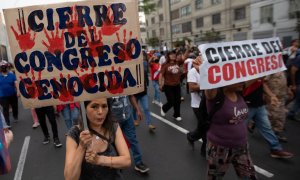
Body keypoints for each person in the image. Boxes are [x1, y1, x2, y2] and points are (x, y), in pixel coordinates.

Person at [64, 98, 131, 180]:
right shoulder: (74, 134)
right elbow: (70, 177)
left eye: (104, 106)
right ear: (84, 109)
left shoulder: (113, 127)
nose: (100, 112)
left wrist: (99, 160)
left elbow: (127, 161)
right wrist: (81, 147)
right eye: (94, 106)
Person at [205, 83, 257, 179]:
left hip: (242, 147)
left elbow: (257, 76)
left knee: (251, 177)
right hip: (220, 149)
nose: (243, 82)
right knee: (214, 177)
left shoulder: (239, 92)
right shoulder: (215, 94)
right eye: (238, 79)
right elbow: (209, 82)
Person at [244, 79, 293, 158]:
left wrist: (271, 95)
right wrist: (257, 77)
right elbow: (243, 85)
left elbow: (262, 83)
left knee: (267, 128)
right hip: (246, 105)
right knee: (238, 130)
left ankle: (275, 149)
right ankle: (229, 149)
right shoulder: (247, 70)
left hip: (259, 105)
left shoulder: (259, 70)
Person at [109, 95, 150, 173]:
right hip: (114, 120)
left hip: (127, 117)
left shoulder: (125, 83)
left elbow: (131, 96)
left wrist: (137, 109)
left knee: (133, 139)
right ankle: (116, 163)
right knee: (114, 142)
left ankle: (139, 162)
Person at [159, 50, 183, 121]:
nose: (173, 55)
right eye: (171, 54)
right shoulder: (165, 64)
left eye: (174, 54)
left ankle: (176, 115)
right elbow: (161, 75)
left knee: (178, 101)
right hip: (168, 86)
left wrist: (187, 49)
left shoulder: (177, 62)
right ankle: (164, 108)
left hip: (177, 85)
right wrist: (160, 84)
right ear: (168, 56)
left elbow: (184, 57)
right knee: (171, 101)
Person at [0, 61, 18, 127]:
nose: (3, 68)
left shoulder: (12, 75)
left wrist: (18, 91)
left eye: (5, 66)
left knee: (14, 106)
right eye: (2, 67)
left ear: (7, 67)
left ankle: (15, 115)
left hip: (12, 94)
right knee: (5, 109)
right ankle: (7, 123)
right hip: (3, 96)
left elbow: (16, 83)